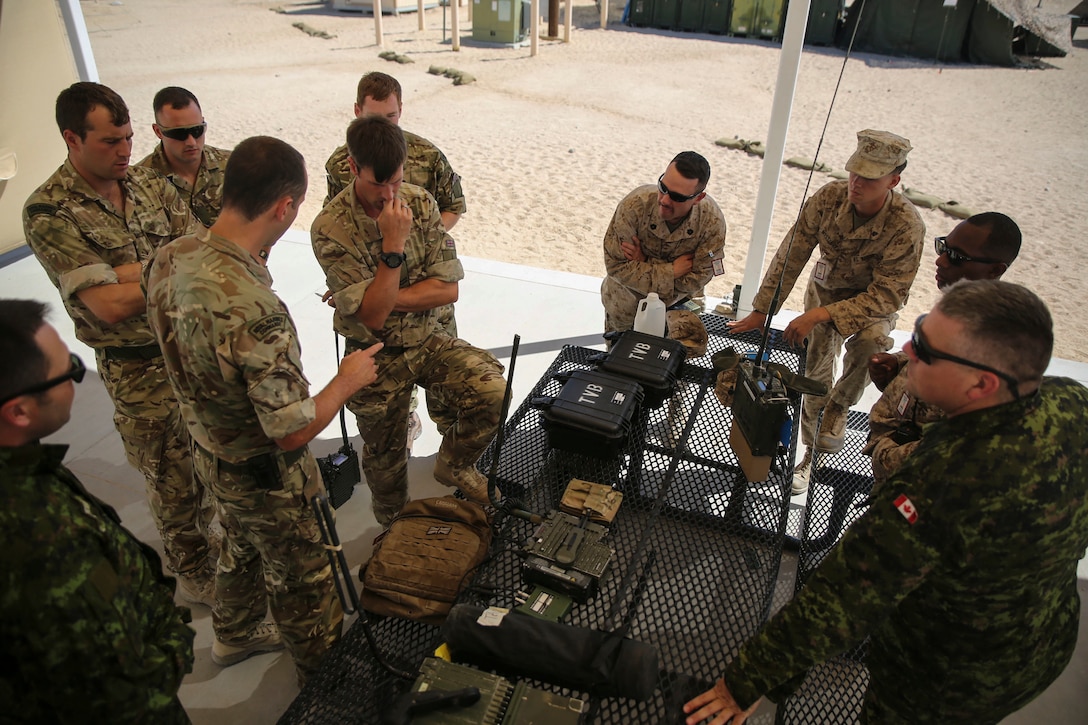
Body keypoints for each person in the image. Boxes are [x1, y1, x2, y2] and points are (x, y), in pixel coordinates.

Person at [685, 279, 1088, 725]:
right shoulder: (1072, 401)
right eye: (918, 330)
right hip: (1043, 641)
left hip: (943, 679)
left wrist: (746, 682)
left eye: (926, 350)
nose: (908, 352)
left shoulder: (945, 477)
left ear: (981, 384)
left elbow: (845, 598)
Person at [146, 135, 383, 684]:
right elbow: (292, 430)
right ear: (284, 207)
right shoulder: (256, 309)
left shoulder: (170, 256)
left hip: (211, 452)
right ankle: (323, 692)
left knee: (239, 544)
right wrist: (345, 382)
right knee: (306, 588)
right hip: (266, 474)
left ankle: (234, 634)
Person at [22, 81, 217, 605]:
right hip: (137, 369)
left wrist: (123, 272)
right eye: (110, 142)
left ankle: (216, 544)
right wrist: (163, 266)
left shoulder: (150, 186)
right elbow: (105, 307)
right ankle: (194, 571)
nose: (126, 151)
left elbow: (201, 249)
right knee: (170, 476)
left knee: (210, 457)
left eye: (129, 138)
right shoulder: (49, 211)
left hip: (190, 347)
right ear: (72, 138)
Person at [0, 299, 195, 722]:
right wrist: (176, 644)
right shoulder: (41, 540)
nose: (77, 379)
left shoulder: (25, 469)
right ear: (18, 412)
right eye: (69, 371)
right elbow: (123, 696)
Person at [311, 116, 505, 526]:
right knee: (385, 465)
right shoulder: (330, 229)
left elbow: (446, 290)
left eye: (395, 181)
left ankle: (453, 465)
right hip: (373, 354)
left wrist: (377, 294)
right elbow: (373, 318)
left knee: (492, 391)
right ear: (352, 167)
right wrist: (393, 247)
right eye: (377, 184)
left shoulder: (420, 202)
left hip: (427, 337)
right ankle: (393, 527)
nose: (388, 195)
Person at [728, 129, 925, 491]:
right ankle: (809, 453)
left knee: (870, 346)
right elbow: (792, 253)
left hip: (871, 304)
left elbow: (888, 296)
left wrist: (820, 315)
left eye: (869, 178)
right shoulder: (829, 198)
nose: (856, 183)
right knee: (816, 374)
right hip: (824, 291)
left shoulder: (906, 225)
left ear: (894, 180)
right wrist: (763, 310)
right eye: (854, 172)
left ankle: (840, 407)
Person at [324, 71, 467, 447]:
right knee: (385, 418)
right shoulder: (339, 163)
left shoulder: (426, 155)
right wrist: (347, 285)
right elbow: (336, 229)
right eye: (372, 118)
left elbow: (452, 209)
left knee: (450, 394)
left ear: (400, 111)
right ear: (356, 111)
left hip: (425, 295)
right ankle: (403, 426)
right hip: (374, 306)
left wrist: (418, 236)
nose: (389, 193)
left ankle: (451, 449)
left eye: (390, 118)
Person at [864, 212, 1021, 486]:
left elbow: (955, 450)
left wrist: (883, 453)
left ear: (996, 270)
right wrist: (898, 366)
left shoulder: (994, 347)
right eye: (943, 247)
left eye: (957, 257)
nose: (941, 261)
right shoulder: (955, 309)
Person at [600, 151, 727, 335]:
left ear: (698, 198)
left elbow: (698, 278)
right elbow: (616, 267)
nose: (665, 200)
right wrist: (672, 271)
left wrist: (643, 262)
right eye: (663, 187)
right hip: (626, 304)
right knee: (617, 360)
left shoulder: (711, 223)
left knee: (674, 359)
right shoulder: (635, 206)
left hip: (678, 308)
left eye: (678, 197)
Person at [138, 85, 231, 227]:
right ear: (158, 131)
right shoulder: (140, 183)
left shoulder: (233, 166)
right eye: (178, 133)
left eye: (197, 130)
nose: (191, 142)